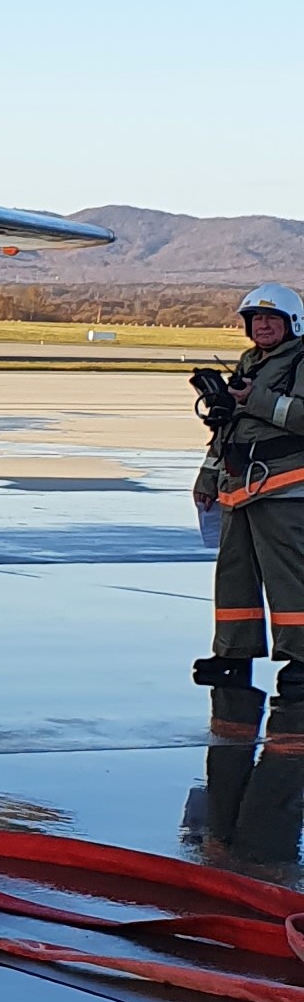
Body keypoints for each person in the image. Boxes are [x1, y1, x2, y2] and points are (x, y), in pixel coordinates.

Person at [193, 282, 304, 736]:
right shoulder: (249, 364)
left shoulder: (299, 361)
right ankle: (233, 654)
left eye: (271, 320)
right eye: (255, 320)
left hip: (285, 485)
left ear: (292, 324)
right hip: (238, 484)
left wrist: (252, 398)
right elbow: (228, 426)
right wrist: (207, 475)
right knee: (233, 572)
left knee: (288, 575)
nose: (262, 326)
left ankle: (300, 658)